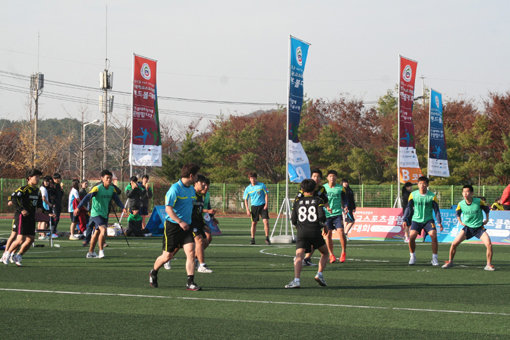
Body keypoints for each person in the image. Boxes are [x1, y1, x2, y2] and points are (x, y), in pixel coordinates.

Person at [149, 163, 201, 291]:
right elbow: (168, 209)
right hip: (173, 227)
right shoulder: (174, 189)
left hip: (186, 227)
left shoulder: (190, 189)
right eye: (196, 175)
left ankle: (190, 282)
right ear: (191, 175)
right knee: (167, 256)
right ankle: (154, 272)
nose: (197, 178)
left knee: (191, 252)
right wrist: (179, 221)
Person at [2, 169, 53, 266]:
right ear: (29, 178)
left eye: (39, 177)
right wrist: (21, 209)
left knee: (31, 239)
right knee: (20, 239)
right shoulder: (24, 189)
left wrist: (46, 212)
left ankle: (18, 256)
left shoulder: (37, 191)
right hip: (22, 216)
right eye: (36, 177)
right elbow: (14, 198)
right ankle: (6, 254)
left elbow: (39, 204)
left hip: (31, 217)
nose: (38, 179)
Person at [285, 179, 328, 288]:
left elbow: (293, 219)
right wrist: (324, 226)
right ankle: (319, 274)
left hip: (302, 232)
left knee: (299, 256)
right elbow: (322, 216)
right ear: (314, 189)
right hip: (315, 231)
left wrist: (299, 227)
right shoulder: (318, 200)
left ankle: (297, 280)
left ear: (302, 189)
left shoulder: (298, 202)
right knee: (325, 253)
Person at [442, 185, 494, 271]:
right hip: (467, 229)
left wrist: (487, 219)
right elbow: (457, 214)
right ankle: (450, 262)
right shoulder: (461, 204)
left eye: (467, 191)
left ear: (472, 193)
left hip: (479, 228)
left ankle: (488, 265)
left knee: (489, 244)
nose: (465, 193)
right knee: (454, 244)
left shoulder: (478, 201)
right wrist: (460, 222)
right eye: (463, 192)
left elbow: (487, 210)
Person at [75, 170, 124, 259]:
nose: (109, 180)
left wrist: (123, 207)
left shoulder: (111, 189)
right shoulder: (97, 188)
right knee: (103, 230)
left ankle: (90, 252)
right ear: (102, 179)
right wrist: (78, 207)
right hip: (95, 213)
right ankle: (101, 251)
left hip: (104, 214)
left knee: (97, 233)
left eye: (110, 178)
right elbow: (86, 198)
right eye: (107, 178)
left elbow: (117, 200)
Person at [402, 176, 443, 266]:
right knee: (411, 237)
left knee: (433, 236)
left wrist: (439, 222)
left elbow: (436, 210)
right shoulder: (413, 195)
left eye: (424, 184)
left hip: (428, 220)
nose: (422, 185)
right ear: (418, 184)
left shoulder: (432, 196)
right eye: (420, 183)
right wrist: (405, 218)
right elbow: (408, 208)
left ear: (427, 185)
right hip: (416, 220)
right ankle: (412, 256)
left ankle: (434, 258)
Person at [298, 168, 331, 266]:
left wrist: (328, 207)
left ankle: (305, 258)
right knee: (313, 239)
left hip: (317, 217)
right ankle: (302, 257)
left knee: (313, 239)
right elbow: (297, 200)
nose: (316, 178)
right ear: (311, 177)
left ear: (321, 179)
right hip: (306, 218)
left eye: (318, 177)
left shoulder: (321, 189)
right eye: (314, 176)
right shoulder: (305, 188)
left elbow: (325, 201)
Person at [323, 170, 347, 264]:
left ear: (336, 178)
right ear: (327, 178)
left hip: (337, 214)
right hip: (327, 215)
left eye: (334, 176)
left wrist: (345, 206)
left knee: (341, 232)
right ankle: (331, 254)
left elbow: (345, 200)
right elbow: (320, 199)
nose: (332, 178)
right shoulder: (323, 188)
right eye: (330, 176)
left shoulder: (341, 188)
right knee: (328, 234)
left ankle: (343, 252)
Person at [243, 172, 270, 245]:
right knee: (254, 223)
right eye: (251, 178)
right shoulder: (248, 188)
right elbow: (245, 199)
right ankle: (252, 239)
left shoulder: (261, 185)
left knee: (266, 222)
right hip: (254, 207)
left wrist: (266, 204)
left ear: (256, 178)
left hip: (263, 205)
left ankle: (267, 238)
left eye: (254, 178)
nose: (253, 180)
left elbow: (266, 194)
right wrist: (247, 209)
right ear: (249, 179)